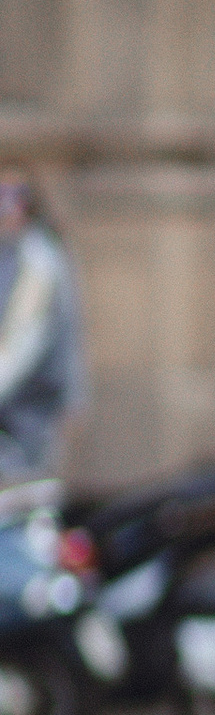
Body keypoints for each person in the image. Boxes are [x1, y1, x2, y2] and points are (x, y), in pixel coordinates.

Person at [0, 171, 84, 485]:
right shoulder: (12, 253)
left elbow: (18, 346)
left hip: (29, 416)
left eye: (12, 198)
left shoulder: (38, 259)